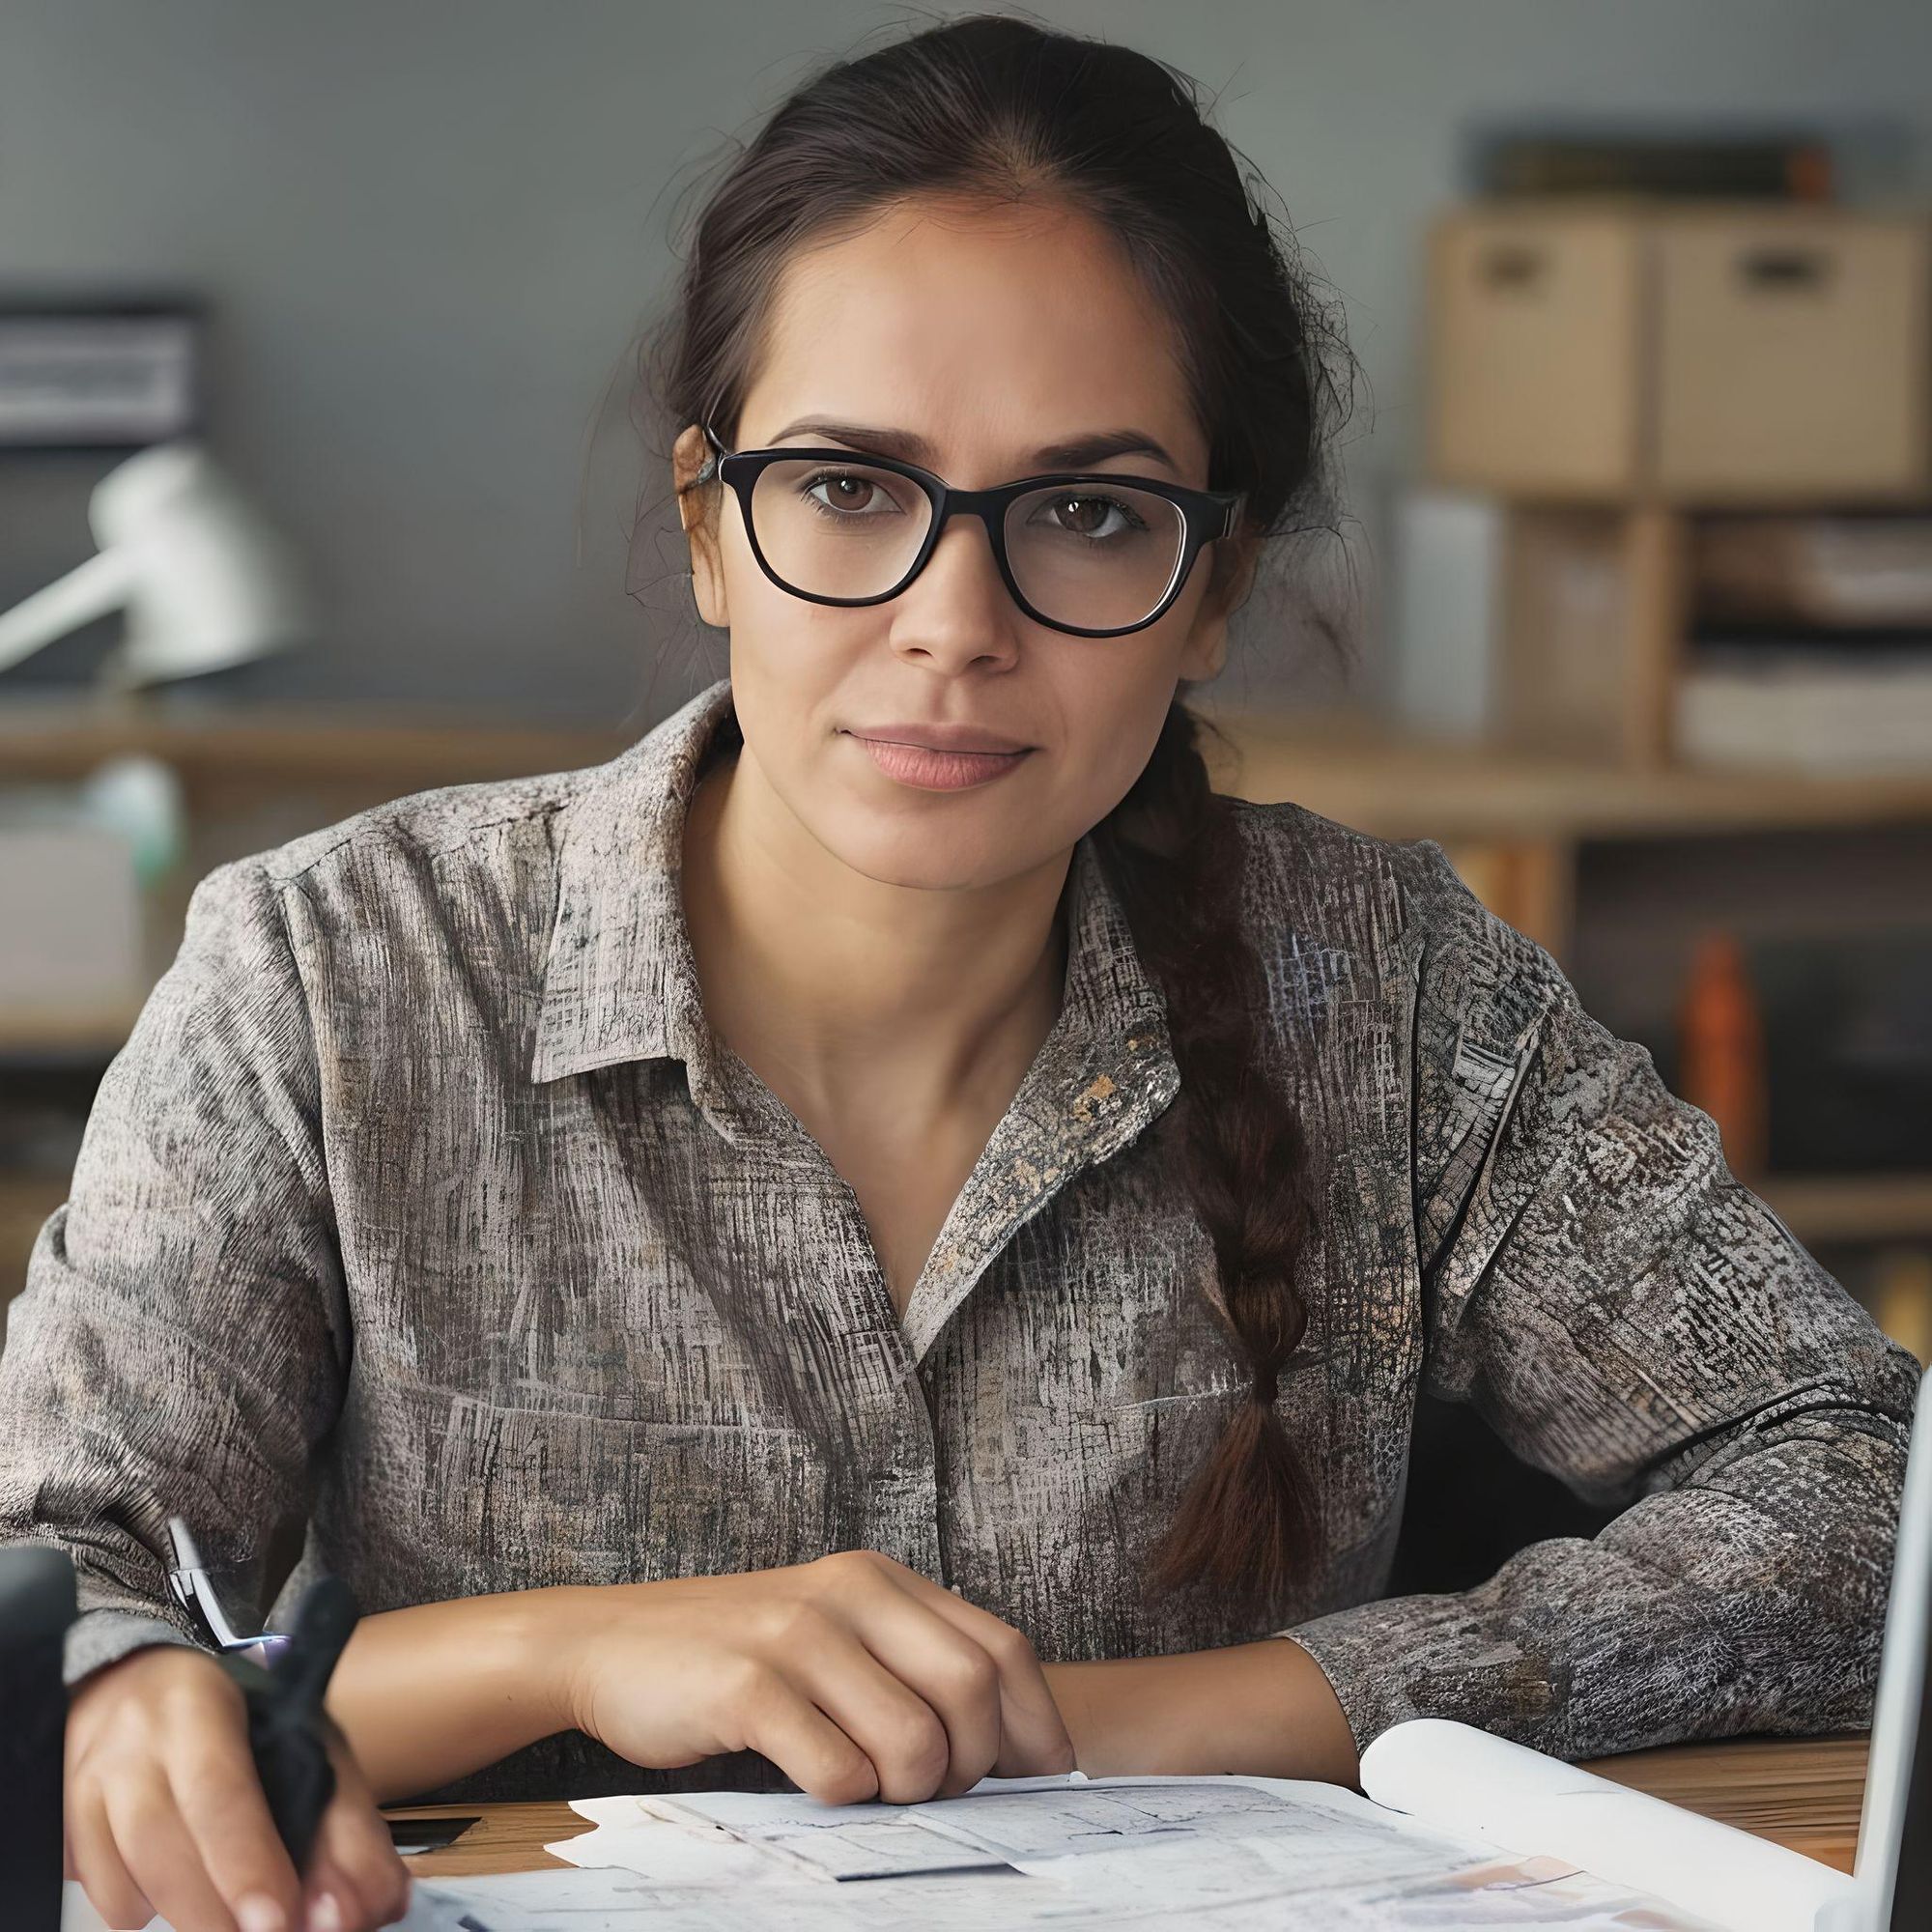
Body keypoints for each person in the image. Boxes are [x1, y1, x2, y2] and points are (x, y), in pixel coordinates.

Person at [0, 15, 1917, 1932]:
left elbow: (1862, 1490)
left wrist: (1193, 1714)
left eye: (1087, 515)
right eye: (847, 487)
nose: (951, 625)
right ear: (709, 526)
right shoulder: (333, 975)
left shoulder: (1393, 993)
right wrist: (559, 1657)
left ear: (1214, 589)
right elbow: (45, 1579)